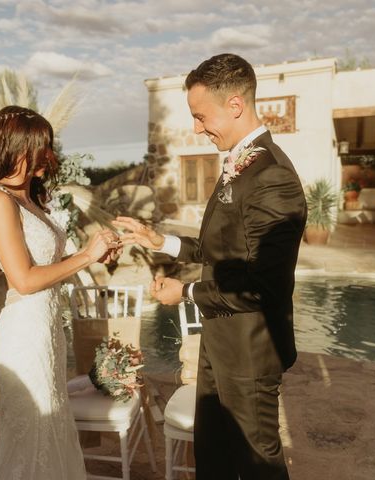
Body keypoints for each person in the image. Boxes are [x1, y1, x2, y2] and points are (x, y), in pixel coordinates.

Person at [114, 53, 307, 479]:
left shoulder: (272, 176)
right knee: (213, 456)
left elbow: (262, 287)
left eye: (201, 117)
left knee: (258, 463)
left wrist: (184, 293)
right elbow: (217, 247)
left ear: (235, 105)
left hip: (251, 352)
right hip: (220, 344)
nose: (197, 128)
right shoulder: (240, 165)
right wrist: (158, 240)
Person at [0, 105, 120, 479]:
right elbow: (23, 280)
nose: (49, 156)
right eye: (41, 148)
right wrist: (87, 256)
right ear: (16, 148)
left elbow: (46, 267)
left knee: (51, 427)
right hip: (24, 334)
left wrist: (94, 254)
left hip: (46, 330)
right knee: (30, 438)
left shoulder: (28, 199)